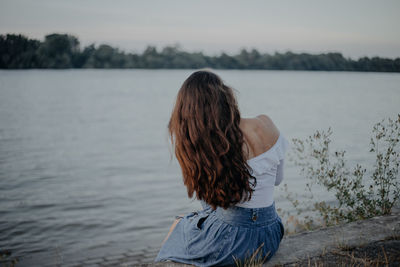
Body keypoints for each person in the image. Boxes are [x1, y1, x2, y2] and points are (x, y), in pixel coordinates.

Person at [155, 70, 288, 266]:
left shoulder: (212, 143)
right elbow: (277, 180)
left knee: (180, 226)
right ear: (226, 96)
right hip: (271, 234)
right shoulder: (265, 123)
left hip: (233, 242)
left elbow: (213, 200)